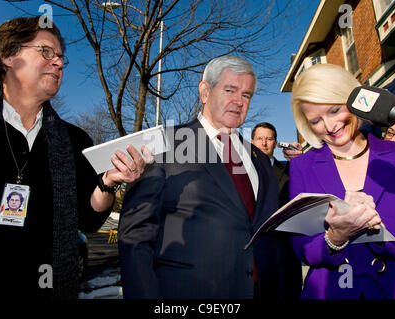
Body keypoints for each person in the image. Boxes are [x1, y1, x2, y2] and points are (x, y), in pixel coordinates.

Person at [0, 16, 151, 299]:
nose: (57, 63)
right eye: (45, 52)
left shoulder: (74, 140)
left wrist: (108, 182)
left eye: (60, 58)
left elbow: (89, 220)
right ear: (7, 56)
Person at [119, 55, 302, 299]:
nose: (239, 101)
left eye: (246, 95)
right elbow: (136, 236)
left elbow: (272, 236)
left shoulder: (259, 159)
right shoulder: (162, 145)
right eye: (230, 90)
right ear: (205, 92)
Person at [288, 63, 395, 298]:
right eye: (316, 121)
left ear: (356, 100)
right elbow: (303, 248)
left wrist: (377, 226)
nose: (330, 127)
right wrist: (336, 237)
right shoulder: (302, 166)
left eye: (334, 110)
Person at [251, 122, 288, 205]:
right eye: (259, 138)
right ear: (252, 143)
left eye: (269, 139)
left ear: (275, 144)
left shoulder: (288, 170)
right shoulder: (241, 171)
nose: (264, 143)